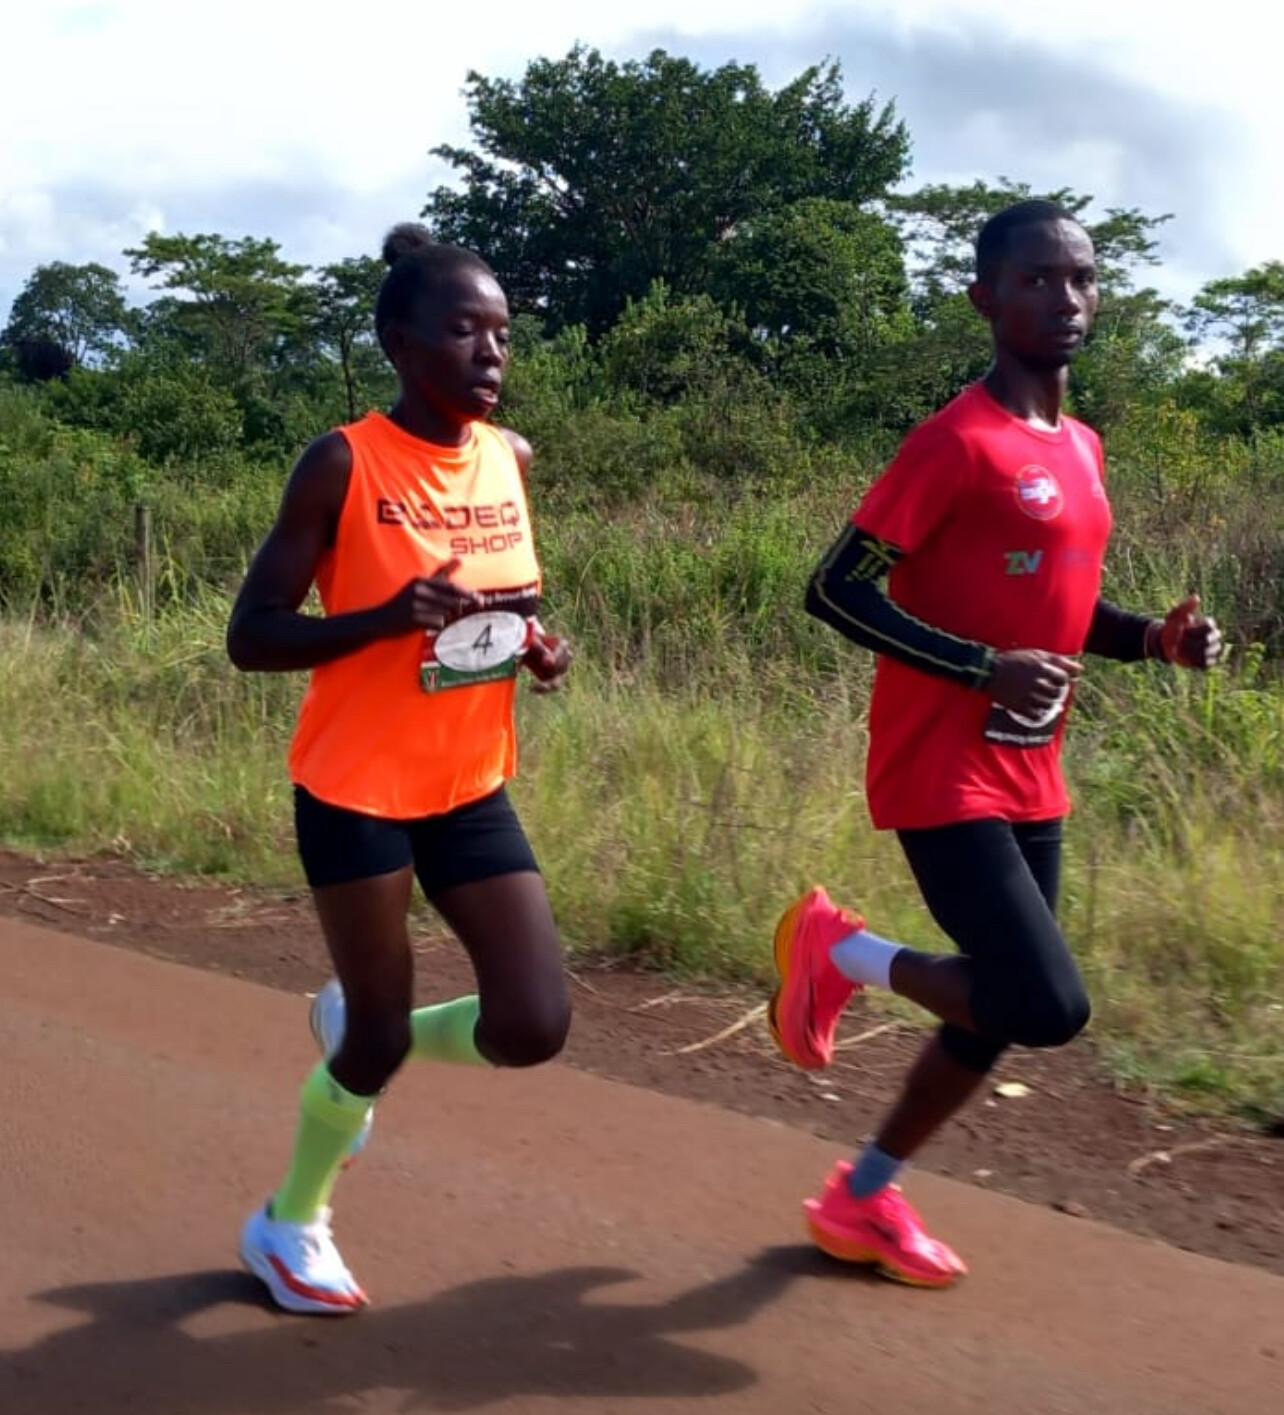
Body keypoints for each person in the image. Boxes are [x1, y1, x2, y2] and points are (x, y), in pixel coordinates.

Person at [769, 200, 1223, 1289]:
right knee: (1046, 1003)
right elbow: (833, 589)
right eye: (1036, 279)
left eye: (1081, 279)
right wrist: (980, 668)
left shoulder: (1082, 445)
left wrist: (1154, 639)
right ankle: (839, 953)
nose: (1065, 298)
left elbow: (1057, 609)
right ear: (986, 298)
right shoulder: (953, 442)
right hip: (942, 765)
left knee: (999, 1006)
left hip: (1032, 766)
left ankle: (862, 1194)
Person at [226, 223, 573, 1315]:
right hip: (356, 788)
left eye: (502, 334)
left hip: (468, 781)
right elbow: (252, 635)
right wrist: (380, 618)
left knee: (533, 1023)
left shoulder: (509, 458)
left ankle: (357, 1032)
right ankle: (288, 1224)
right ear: (399, 342)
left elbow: (502, 604)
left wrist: (535, 645)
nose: (490, 353)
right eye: (464, 330)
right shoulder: (342, 462)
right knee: (377, 1035)